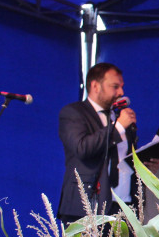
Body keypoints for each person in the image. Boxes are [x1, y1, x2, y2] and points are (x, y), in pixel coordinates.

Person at [56, 63, 137, 224]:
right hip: (87, 204)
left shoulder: (118, 116)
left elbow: (123, 156)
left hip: (123, 205)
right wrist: (119, 126)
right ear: (95, 86)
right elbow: (82, 148)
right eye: (115, 86)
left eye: (122, 87)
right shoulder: (73, 112)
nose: (121, 92)